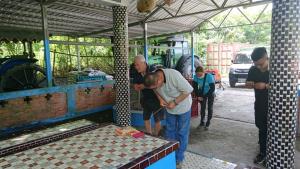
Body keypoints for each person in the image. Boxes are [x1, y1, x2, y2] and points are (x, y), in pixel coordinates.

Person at [144, 69, 193, 169]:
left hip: (183, 107)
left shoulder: (173, 75)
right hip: (170, 109)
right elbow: (154, 89)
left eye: (156, 86)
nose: (156, 88)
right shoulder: (154, 78)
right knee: (170, 132)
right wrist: (160, 99)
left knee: (182, 132)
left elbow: (188, 90)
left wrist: (174, 102)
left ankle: (179, 159)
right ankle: (170, 156)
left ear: (159, 80)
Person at [245, 47, 269, 166]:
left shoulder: (277, 67)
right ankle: (263, 152)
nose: (258, 67)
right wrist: (253, 84)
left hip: (276, 105)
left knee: (274, 129)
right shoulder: (253, 69)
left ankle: (272, 153)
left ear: (265, 57)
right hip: (259, 104)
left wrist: (265, 86)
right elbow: (247, 84)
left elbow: (285, 85)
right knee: (262, 128)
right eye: (256, 65)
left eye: (260, 64)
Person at [132, 55, 165, 136]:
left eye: (137, 65)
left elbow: (157, 85)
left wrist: (144, 85)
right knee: (146, 117)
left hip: (157, 98)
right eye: (135, 65)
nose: (136, 67)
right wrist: (136, 86)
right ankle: (149, 134)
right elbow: (135, 83)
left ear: (144, 63)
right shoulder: (137, 72)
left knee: (157, 119)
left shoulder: (153, 70)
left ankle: (158, 136)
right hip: (146, 98)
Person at [192, 66, 215, 130]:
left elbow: (212, 88)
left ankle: (208, 123)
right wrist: (198, 96)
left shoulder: (209, 76)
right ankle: (202, 122)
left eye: (200, 74)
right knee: (202, 108)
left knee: (209, 107)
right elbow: (195, 87)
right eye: (197, 74)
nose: (198, 76)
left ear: (203, 72)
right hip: (202, 92)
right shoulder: (195, 76)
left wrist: (204, 97)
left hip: (210, 93)